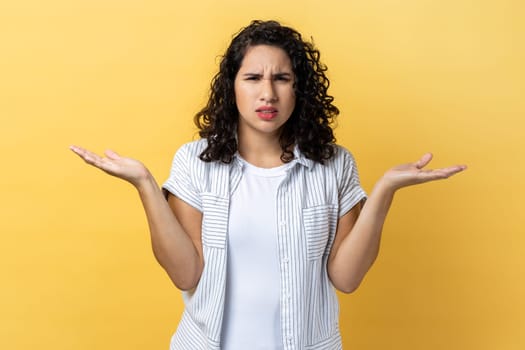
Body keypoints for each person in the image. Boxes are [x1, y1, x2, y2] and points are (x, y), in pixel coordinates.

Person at [70, 20, 466, 350]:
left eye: (282, 78)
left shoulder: (334, 166)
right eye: (253, 77)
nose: (267, 93)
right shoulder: (194, 162)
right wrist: (143, 184)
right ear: (232, 87)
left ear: (299, 89)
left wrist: (383, 192)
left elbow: (346, 279)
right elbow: (186, 275)